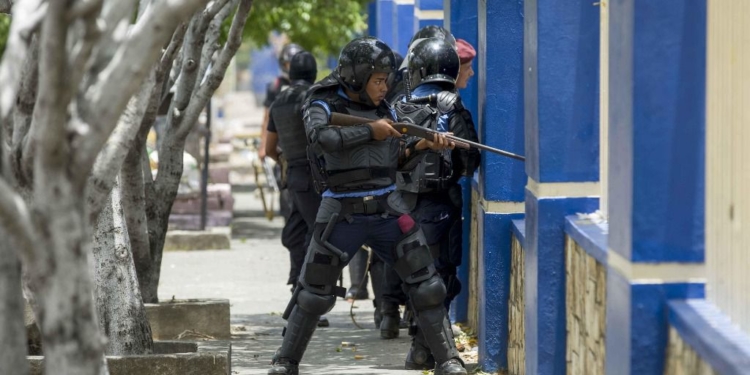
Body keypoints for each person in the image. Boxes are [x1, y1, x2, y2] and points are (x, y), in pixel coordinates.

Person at [268, 36, 467, 375]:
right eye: (377, 80)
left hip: (388, 209)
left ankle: (448, 361)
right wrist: (371, 132)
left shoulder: (384, 108)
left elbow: (396, 161)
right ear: (358, 76)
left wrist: (423, 145)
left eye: (386, 80)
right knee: (314, 292)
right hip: (339, 213)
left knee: (428, 286)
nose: (384, 86)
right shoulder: (322, 101)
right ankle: (285, 362)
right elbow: (322, 139)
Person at [390, 36, 481, 370]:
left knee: (416, 278)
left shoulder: (396, 105)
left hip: (399, 207)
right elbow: (471, 162)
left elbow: (388, 158)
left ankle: (423, 347)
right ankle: (426, 349)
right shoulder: (450, 104)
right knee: (441, 280)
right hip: (437, 207)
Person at [265, 51, 329, 327]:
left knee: (297, 232)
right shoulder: (319, 99)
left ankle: (300, 295)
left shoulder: (278, 101)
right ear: (315, 74)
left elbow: (269, 149)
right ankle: (309, 300)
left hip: (293, 178)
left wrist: (288, 161)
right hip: (319, 178)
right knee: (316, 236)